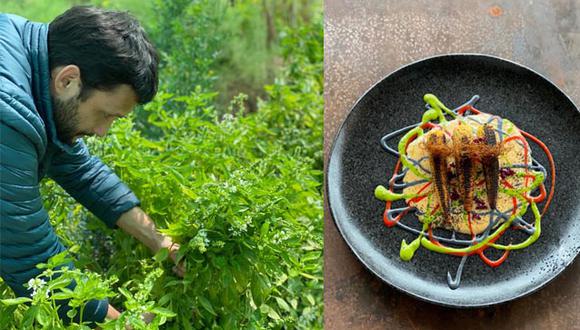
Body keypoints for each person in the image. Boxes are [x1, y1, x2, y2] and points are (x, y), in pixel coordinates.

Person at [0, 6, 185, 326]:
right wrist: (121, 323)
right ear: (68, 79)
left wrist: (161, 242)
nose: (102, 132)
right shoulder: (6, 113)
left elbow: (80, 168)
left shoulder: (26, 48)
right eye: (105, 114)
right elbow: (28, 253)